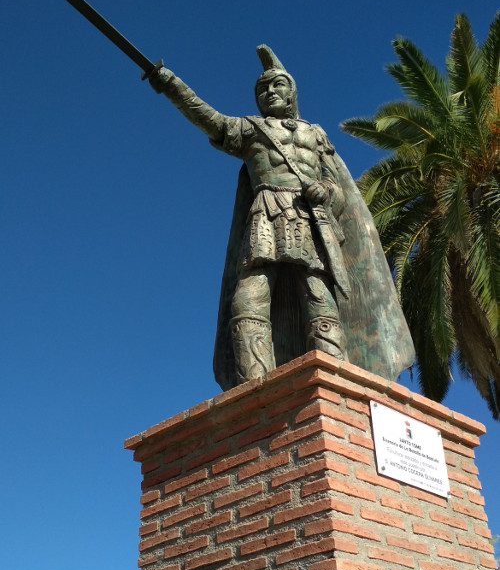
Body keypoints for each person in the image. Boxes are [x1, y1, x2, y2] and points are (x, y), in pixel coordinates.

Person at [148, 45, 414, 390]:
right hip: (266, 212)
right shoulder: (250, 130)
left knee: (319, 294)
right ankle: (254, 387)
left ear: (292, 92)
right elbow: (208, 118)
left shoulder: (315, 134)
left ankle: (335, 381)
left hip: (311, 217)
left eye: (277, 85)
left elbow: (336, 186)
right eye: (263, 88)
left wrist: (324, 191)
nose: (270, 91)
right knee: (249, 296)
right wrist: (171, 84)